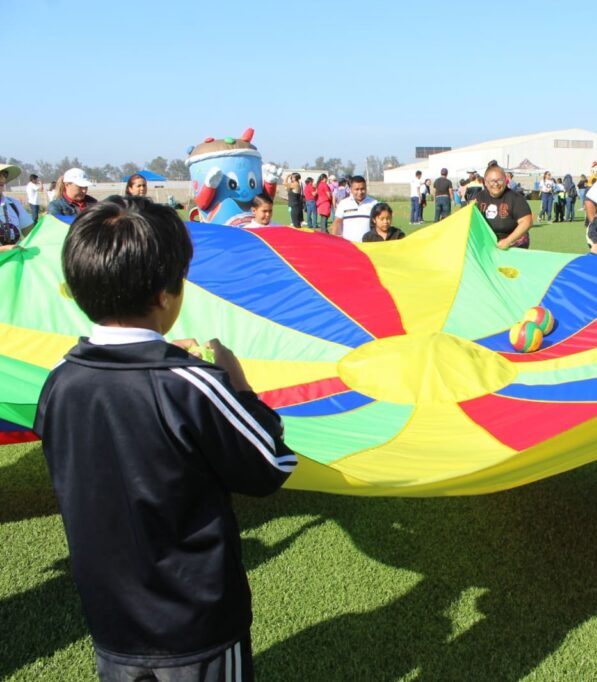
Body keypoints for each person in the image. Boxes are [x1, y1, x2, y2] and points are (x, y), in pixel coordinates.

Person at [34, 196, 295, 681]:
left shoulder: (59, 379)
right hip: (196, 626)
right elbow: (272, 466)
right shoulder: (190, 385)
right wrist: (237, 383)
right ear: (165, 294)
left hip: (113, 622)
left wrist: (164, 359)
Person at [475, 163, 532, 249]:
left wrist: (508, 241)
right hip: (489, 246)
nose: (496, 184)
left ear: (505, 181)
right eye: (492, 181)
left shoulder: (516, 198)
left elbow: (526, 222)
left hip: (513, 245)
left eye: (500, 180)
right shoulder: (479, 197)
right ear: (485, 182)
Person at [331, 175, 377, 241]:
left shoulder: (374, 203)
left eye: (362, 189)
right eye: (357, 189)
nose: (360, 192)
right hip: (349, 247)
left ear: (366, 188)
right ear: (351, 190)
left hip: (368, 246)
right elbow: (337, 222)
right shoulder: (343, 204)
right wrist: (333, 241)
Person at [0, 164, 33, 251]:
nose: (2, 178)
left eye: (4, 175)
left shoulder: (14, 204)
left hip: (15, 262)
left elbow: (31, 235)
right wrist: (3, 249)